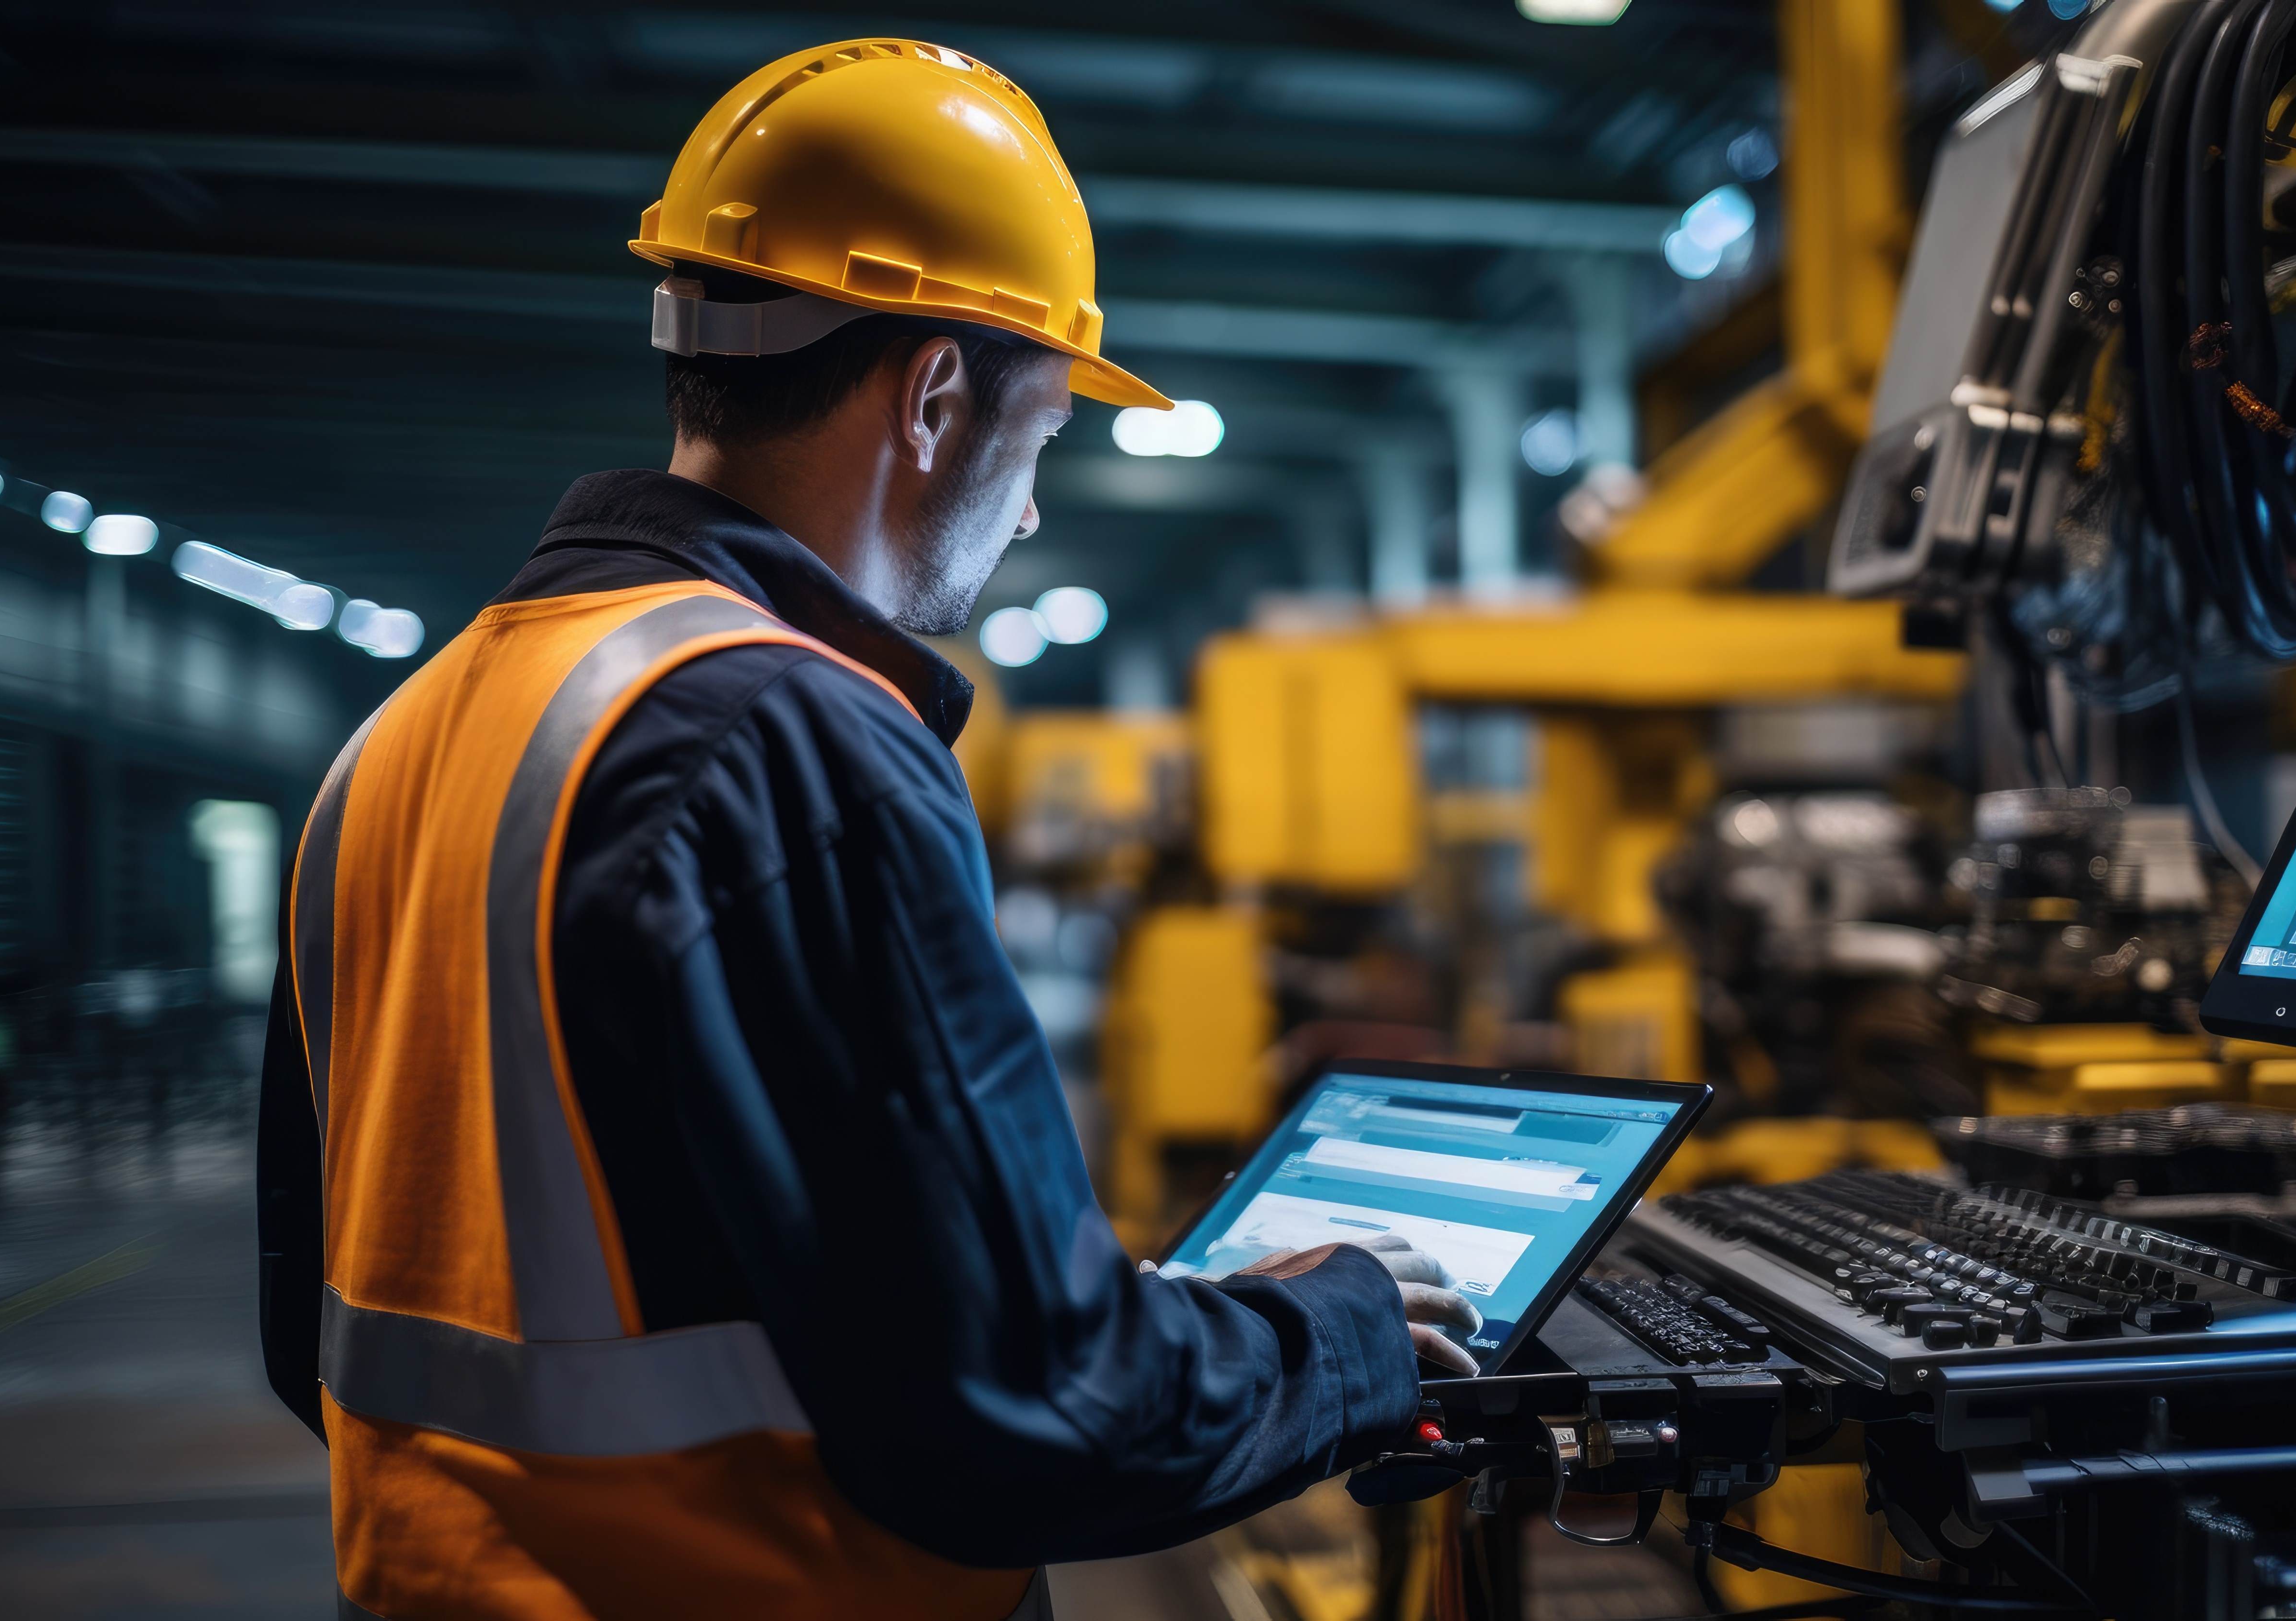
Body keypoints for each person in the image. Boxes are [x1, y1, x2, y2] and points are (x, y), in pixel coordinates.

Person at [253, 38, 1478, 1621]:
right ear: (936, 396)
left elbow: (330, 1333)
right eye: (1040, 442)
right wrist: (1351, 1334)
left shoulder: (398, 743)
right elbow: (1031, 1415)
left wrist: (1149, 1316)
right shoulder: (792, 738)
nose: (1030, 511)